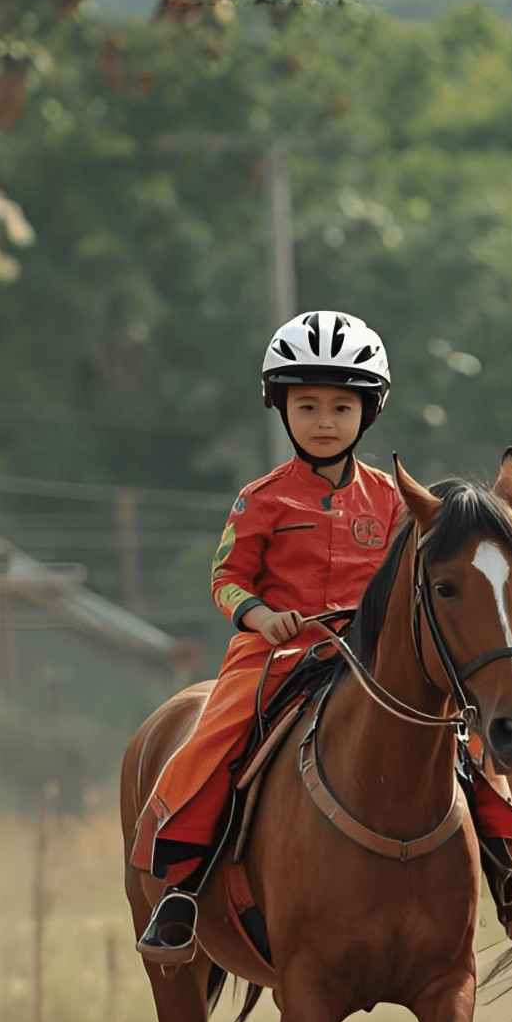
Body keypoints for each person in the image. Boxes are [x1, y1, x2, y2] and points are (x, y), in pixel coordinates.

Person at [130, 310, 402, 962]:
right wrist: (259, 616)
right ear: (280, 409)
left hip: (367, 657)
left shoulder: (392, 500)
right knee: (216, 737)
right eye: (306, 405)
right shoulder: (261, 498)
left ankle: (508, 869)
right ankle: (180, 886)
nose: (325, 421)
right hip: (275, 650)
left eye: (341, 406)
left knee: (455, 731)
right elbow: (227, 578)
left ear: (369, 413)